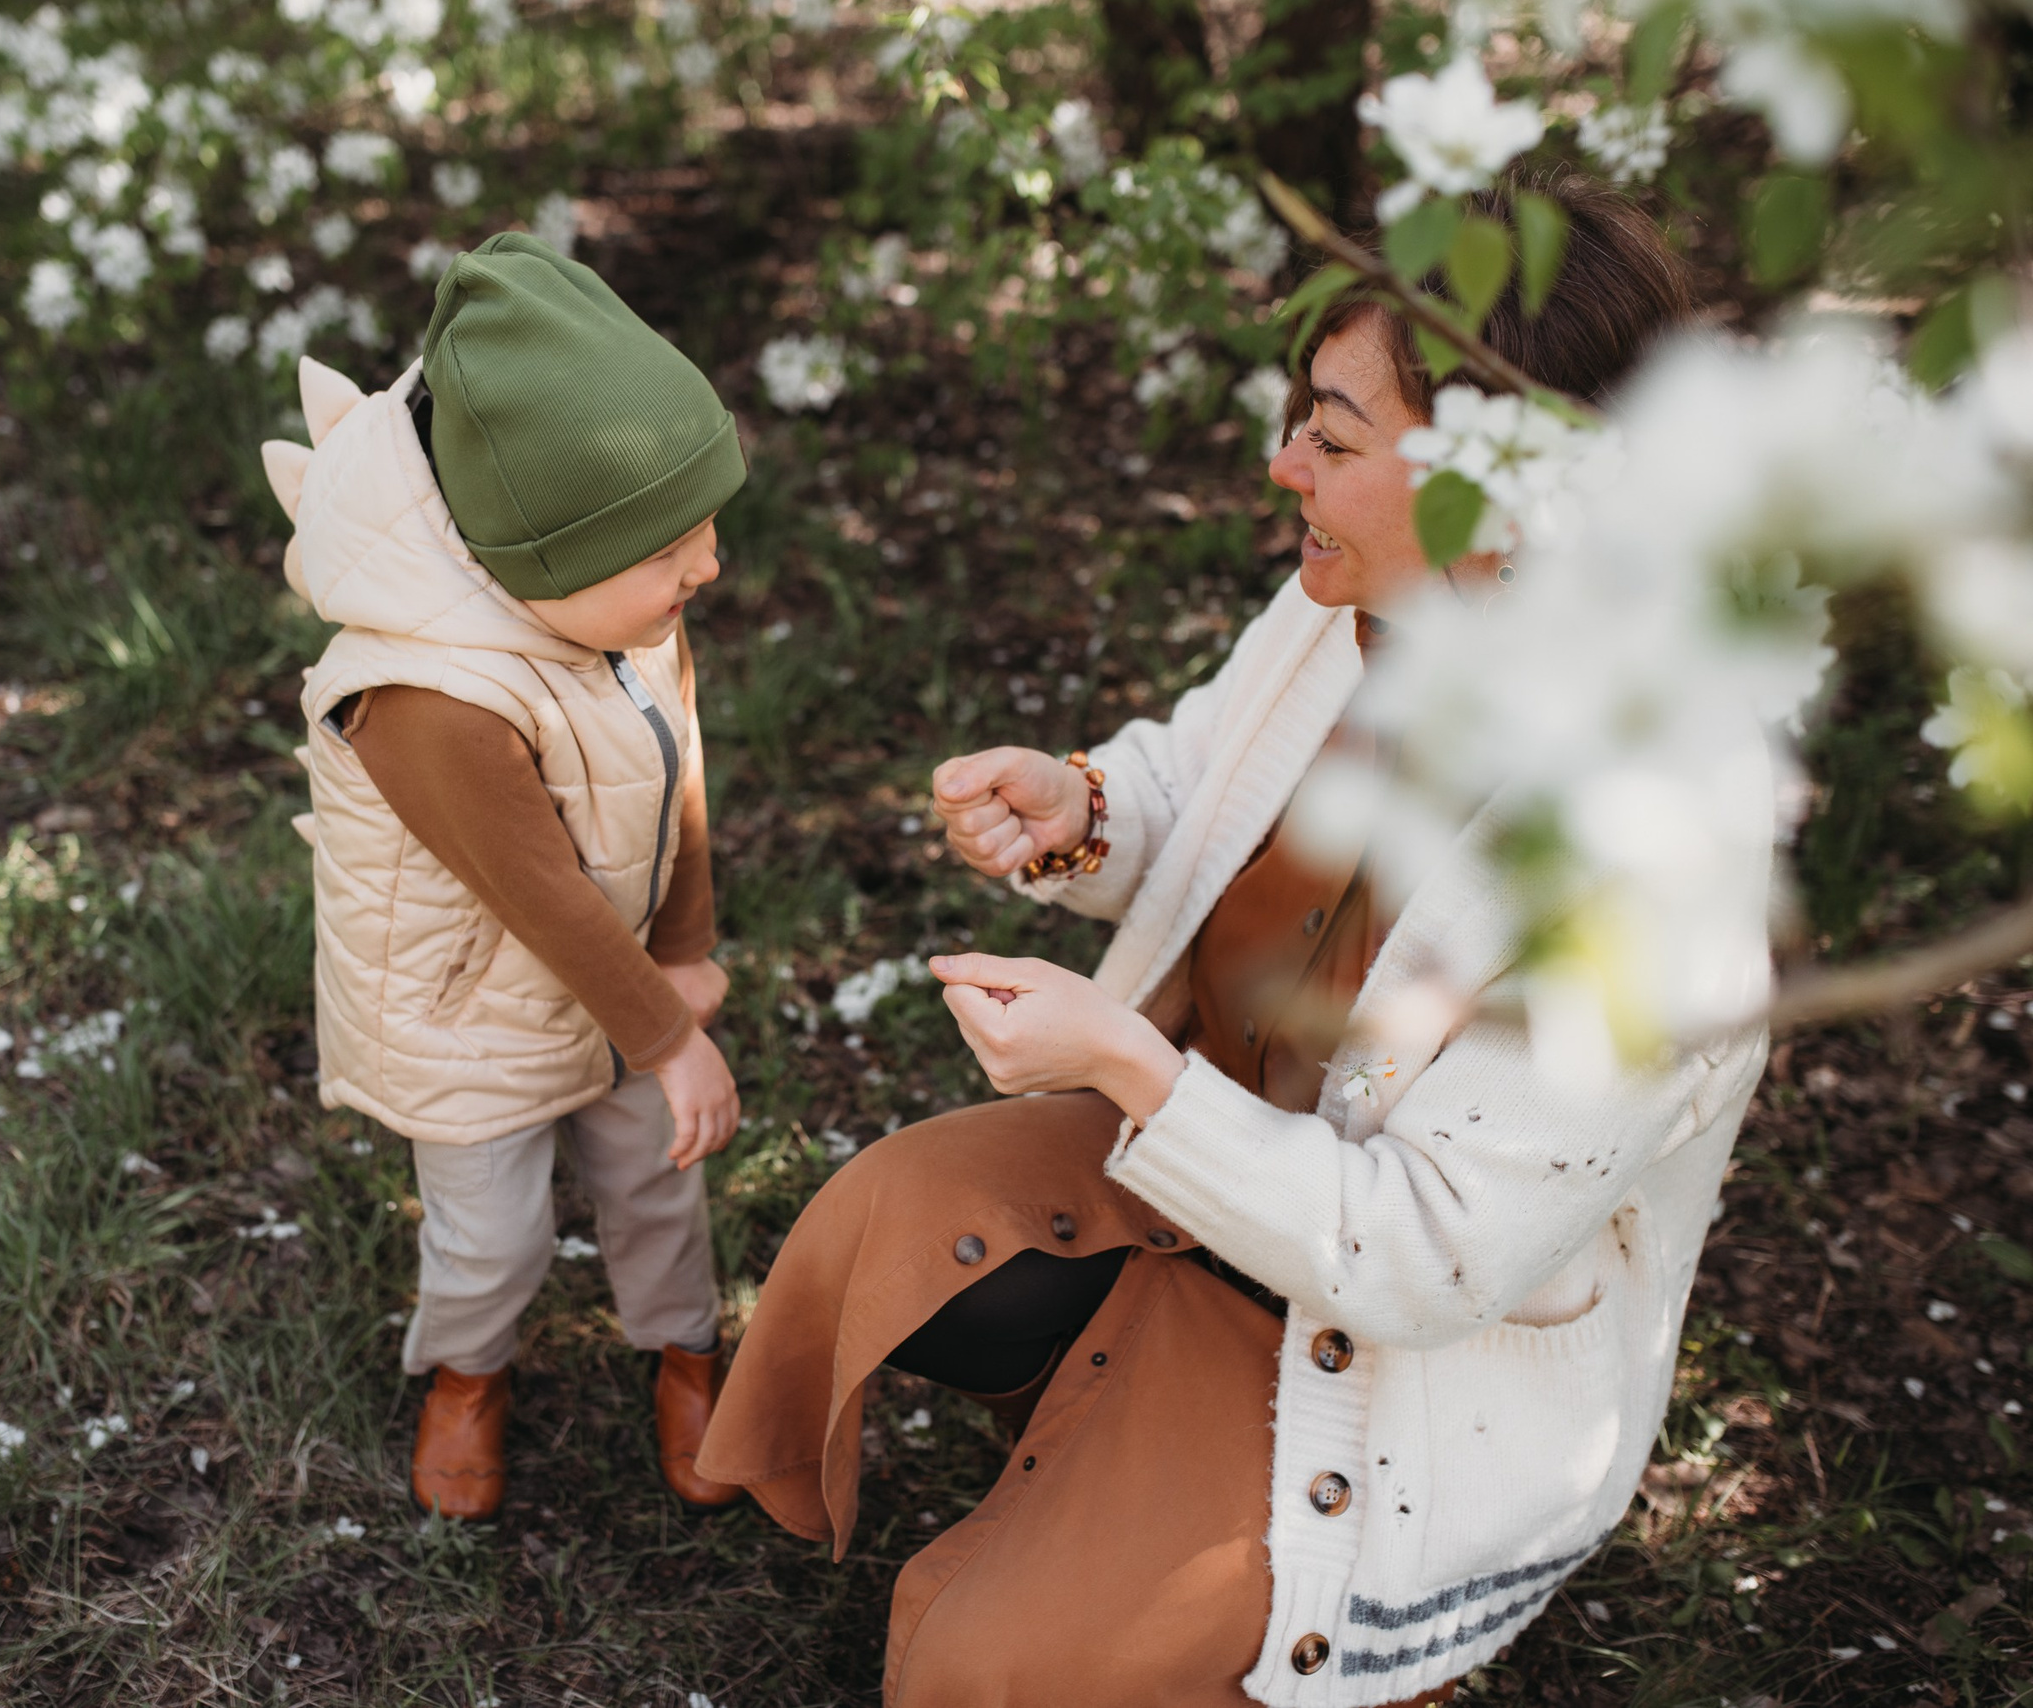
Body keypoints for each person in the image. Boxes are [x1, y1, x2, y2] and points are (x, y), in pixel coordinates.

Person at [695, 177, 1760, 1705]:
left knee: (978, 1674)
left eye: (1331, 437)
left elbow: (1419, 1254)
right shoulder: (1353, 602)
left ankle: (1315, 1605)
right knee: (883, 1226)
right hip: (1213, 1189)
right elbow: (1206, 780)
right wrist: (1078, 804)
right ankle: (1122, 1450)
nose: (1282, 466)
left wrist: (1130, 1067)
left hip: (1390, 1357)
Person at [261, 232, 748, 1520]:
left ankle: (687, 1350)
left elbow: (677, 767)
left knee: (660, 1184)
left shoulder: (633, 615)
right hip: (464, 1011)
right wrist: (668, 1034)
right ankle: (465, 1373)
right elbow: (533, 893)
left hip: (624, 982)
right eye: (670, 549)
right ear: (543, 564)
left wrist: (685, 944)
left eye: (706, 531)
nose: (706, 569)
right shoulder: (426, 703)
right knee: (493, 1234)